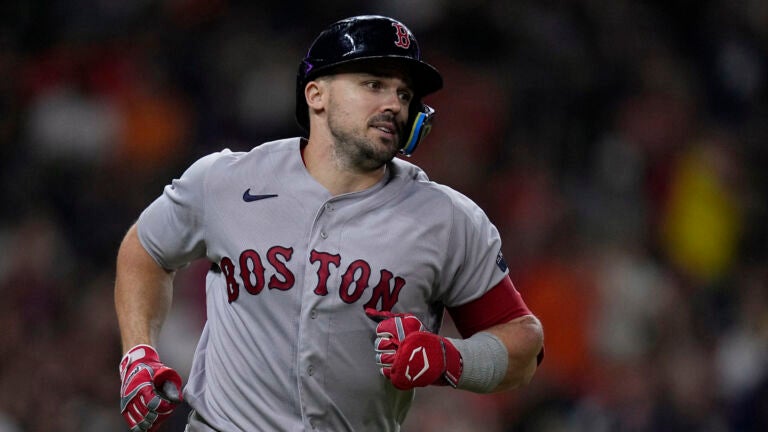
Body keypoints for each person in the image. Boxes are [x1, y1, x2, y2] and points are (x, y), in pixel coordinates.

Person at [114, 15, 544, 432]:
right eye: (373, 84)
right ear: (316, 94)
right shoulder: (227, 182)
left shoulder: (446, 219)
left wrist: (451, 358)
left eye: (404, 94)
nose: (394, 103)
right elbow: (146, 249)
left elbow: (523, 344)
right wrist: (137, 351)